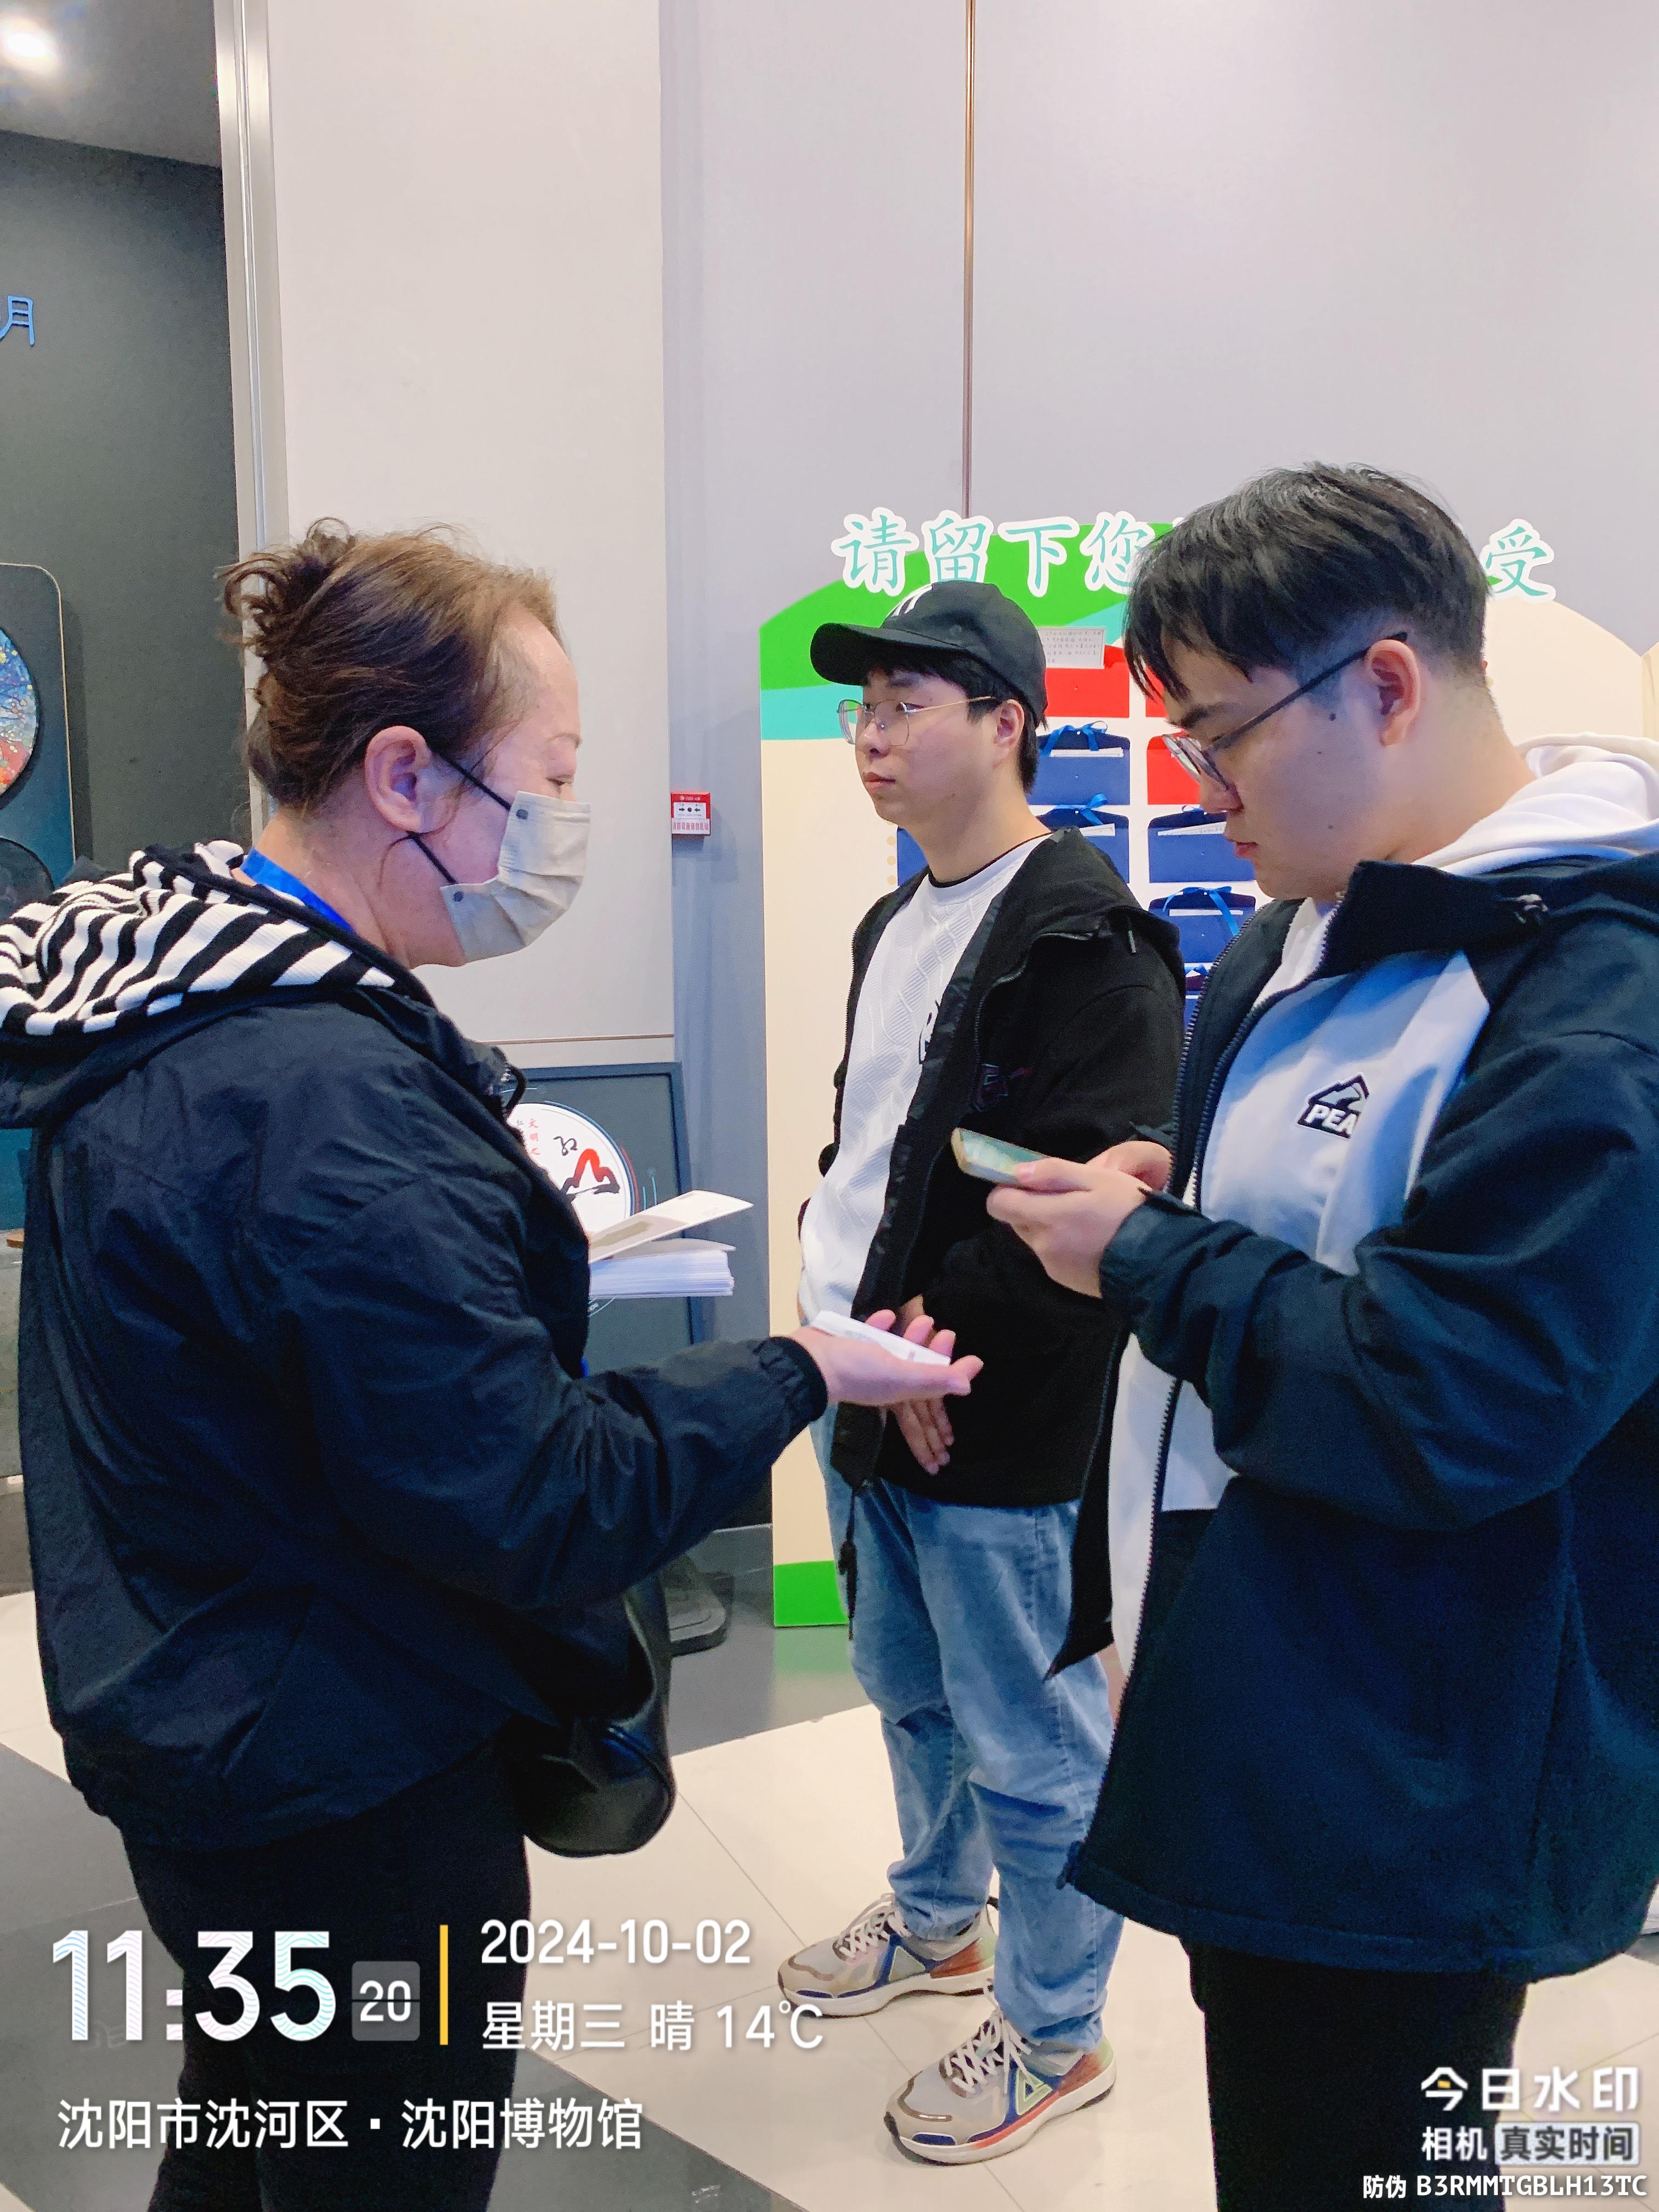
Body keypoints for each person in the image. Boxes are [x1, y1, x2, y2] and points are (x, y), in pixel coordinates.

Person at [4, 522, 980, 2212]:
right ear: (406, 775)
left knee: (253, 2111)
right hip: (342, 1766)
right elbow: (538, 1495)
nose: (562, 825)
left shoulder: (163, 994)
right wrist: (797, 1371)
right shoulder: (326, 1101)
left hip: (192, 1703)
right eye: (552, 776)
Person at [988, 464, 1659, 2208]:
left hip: (1417, 1754)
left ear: (1388, 683)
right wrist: (1181, 1186)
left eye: (1222, 738)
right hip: (1264, 1685)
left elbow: (1455, 1397)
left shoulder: (1597, 991)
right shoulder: (1302, 931)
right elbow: (1326, 1226)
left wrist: (1152, 1257)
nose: (1196, 791)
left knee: (1367, 2154)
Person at [775, 581, 1184, 2163]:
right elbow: (877, 1151)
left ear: (1008, 721)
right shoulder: (894, 923)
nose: (870, 737)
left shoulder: (1091, 938)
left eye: (907, 705)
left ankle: (1057, 2031)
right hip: (864, 1382)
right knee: (909, 1689)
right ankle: (940, 1921)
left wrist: (938, 1351)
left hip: (987, 1409)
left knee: (1033, 1739)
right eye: (861, 708)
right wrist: (855, 1331)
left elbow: (1086, 1206)